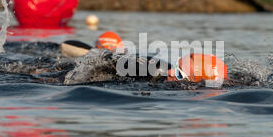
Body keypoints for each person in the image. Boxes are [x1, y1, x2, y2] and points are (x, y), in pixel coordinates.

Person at [60, 32, 227, 83]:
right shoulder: (155, 69)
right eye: (176, 67)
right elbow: (106, 62)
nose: (170, 72)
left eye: (178, 74)